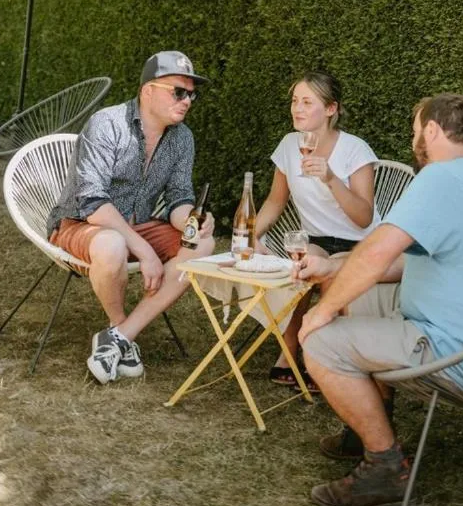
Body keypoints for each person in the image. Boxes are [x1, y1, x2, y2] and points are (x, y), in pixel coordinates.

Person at [294, 93, 463, 506]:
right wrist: (333, 269)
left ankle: (386, 467)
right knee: (361, 296)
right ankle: (365, 426)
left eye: (414, 132)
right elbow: (405, 259)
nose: (412, 142)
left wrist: (321, 309)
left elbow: (376, 253)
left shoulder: (440, 179)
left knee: (318, 341)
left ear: (433, 131)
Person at [47, 50, 216, 384]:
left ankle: (121, 336)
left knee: (202, 242)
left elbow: (179, 198)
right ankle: (118, 323)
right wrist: (144, 249)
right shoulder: (107, 123)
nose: (187, 101)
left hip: (137, 223)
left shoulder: (183, 138)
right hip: (82, 224)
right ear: (148, 90)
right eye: (178, 92)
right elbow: (92, 203)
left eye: (191, 94)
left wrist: (192, 220)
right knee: (112, 244)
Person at [254, 71, 378, 389]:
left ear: (331, 109)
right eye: (295, 101)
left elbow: (364, 217)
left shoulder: (355, 150)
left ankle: (321, 359)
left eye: (307, 102)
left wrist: (331, 178)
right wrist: (253, 232)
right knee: (303, 268)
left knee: (329, 275)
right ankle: (289, 350)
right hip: (318, 239)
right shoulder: (288, 145)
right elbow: (275, 200)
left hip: (360, 242)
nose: (297, 108)